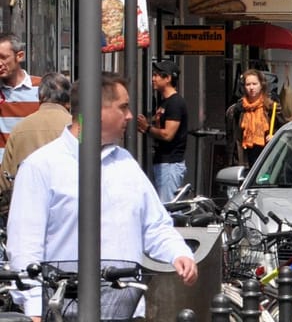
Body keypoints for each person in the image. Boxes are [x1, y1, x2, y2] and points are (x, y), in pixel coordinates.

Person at [6, 72, 198, 319]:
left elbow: (154, 224)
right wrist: (33, 309)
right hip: (64, 310)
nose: (130, 116)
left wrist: (178, 253)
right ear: (95, 111)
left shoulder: (125, 162)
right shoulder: (41, 167)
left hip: (124, 308)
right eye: (123, 107)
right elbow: (25, 245)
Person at [0, 73, 73, 218]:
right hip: (68, 211)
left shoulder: (20, 128)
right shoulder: (77, 126)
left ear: (40, 98)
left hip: (26, 209)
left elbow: (4, 181)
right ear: (69, 101)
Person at [139, 60, 189, 200]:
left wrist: (147, 128)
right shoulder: (165, 102)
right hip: (162, 163)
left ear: (168, 78)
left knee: (168, 209)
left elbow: (168, 134)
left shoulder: (175, 103)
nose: (153, 79)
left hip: (170, 164)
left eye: (157, 75)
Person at [225, 69, 281, 168]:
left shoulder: (271, 107)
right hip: (244, 159)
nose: (251, 87)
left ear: (261, 85)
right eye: (248, 84)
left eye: (255, 84)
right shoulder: (237, 110)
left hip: (267, 159)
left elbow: (285, 129)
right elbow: (232, 138)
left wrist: (275, 136)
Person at [0, 33, 40, 156]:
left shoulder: (42, 87)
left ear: (20, 56)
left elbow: (76, 120)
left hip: (31, 166)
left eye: (3, 57)